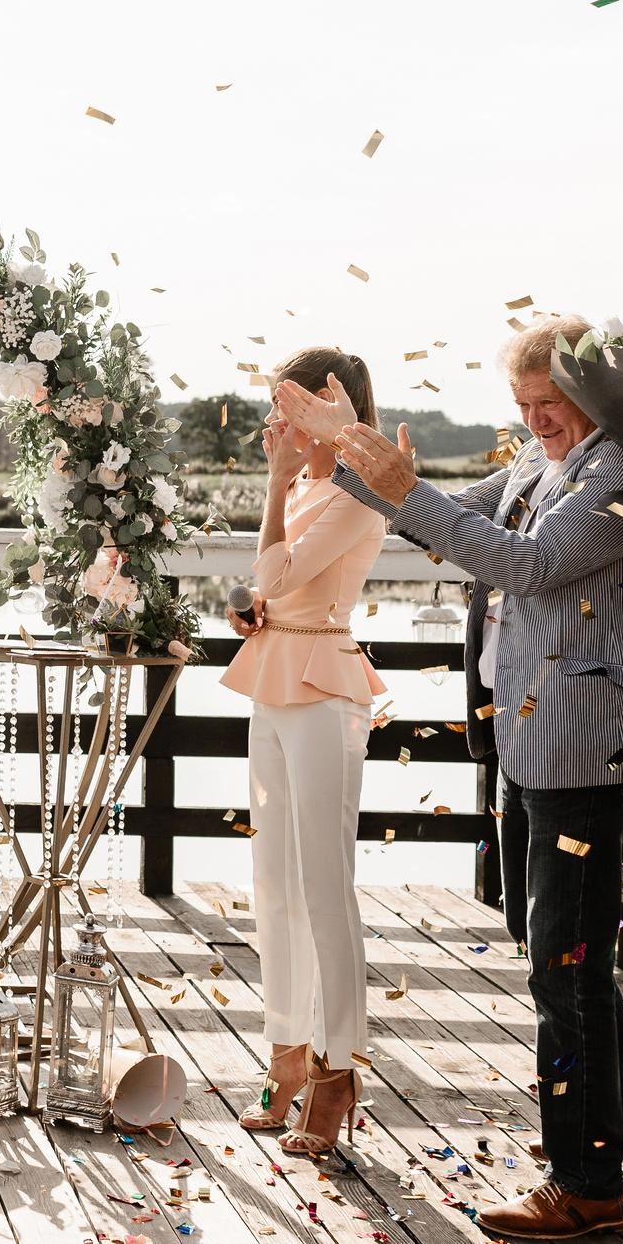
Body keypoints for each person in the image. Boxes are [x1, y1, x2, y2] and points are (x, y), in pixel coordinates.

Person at [279, 314, 623, 1243]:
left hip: (586, 746)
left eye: (553, 403)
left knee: (562, 963)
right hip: (526, 736)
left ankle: (586, 1183)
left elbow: (524, 563)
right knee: (537, 929)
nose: (537, 420)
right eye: (524, 405)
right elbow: (445, 511)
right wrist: (347, 448)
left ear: (602, 393)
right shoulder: (547, 463)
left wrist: (398, 485)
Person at [222, 348, 387, 1156]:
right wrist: (245, 606)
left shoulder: (358, 493)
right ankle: (286, 1048)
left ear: (331, 403)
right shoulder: (300, 488)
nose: (277, 422)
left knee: (326, 883)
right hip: (275, 673)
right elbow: (264, 589)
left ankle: (336, 1069)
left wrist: (272, 485)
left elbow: (282, 573)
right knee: (274, 884)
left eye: (289, 404)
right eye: (273, 404)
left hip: (326, 686)